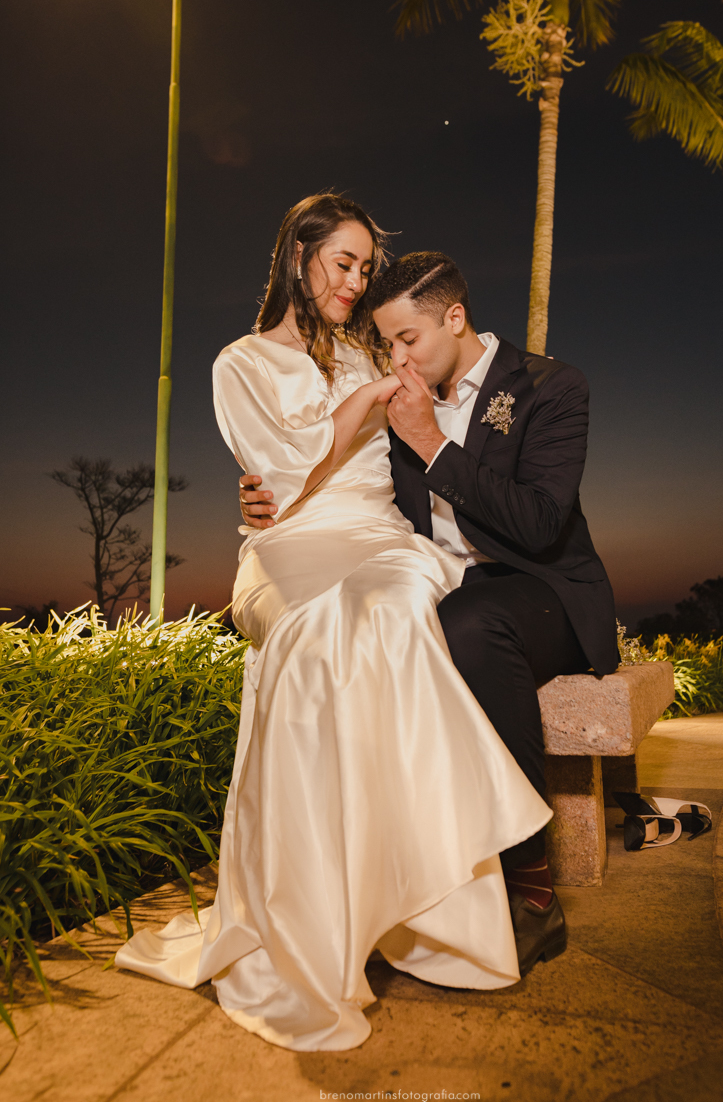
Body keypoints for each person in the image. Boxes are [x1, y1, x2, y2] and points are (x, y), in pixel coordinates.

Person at [116, 195, 553, 1053]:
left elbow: (449, 378)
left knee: (388, 612)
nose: (355, 281)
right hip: (286, 550)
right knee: (316, 637)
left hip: (380, 539)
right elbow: (280, 481)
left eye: (363, 266)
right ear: (297, 255)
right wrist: (352, 413)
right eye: (342, 262)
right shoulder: (237, 362)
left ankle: (426, 911)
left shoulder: (371, 349)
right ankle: (312, 921)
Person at [240, 250, 618, 963]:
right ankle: (384, 875)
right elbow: (328, 469)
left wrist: (428, 440)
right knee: (354, 627)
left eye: (408, 338)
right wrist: (265, 498)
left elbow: (540, 523)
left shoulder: (551, 386)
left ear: (455, 317)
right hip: (432, 577)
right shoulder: (394, 402)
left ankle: (531, 884)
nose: (396, 356)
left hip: (540, 590)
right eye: (385, 342)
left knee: (469, 626)